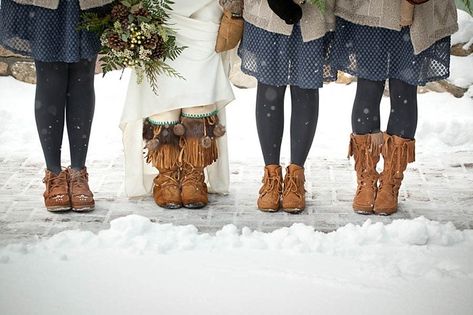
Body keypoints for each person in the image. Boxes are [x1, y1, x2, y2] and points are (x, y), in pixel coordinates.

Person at [332, 0, 458, 215]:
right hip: (370, 7)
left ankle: (391, 180)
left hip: (416, 10)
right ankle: (367, 177)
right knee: (368, 87)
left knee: (404, 89)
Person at [120, 0, 243, 209]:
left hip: (206, 9)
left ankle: (193, 174)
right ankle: (166, 174)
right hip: (161, 9)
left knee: (201, 91)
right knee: (161, 93)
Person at [0, 0, 113, 211]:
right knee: (50, 77)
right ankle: (53, 173)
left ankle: (79, 173)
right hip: (45, 6)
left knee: (83, 76)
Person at [238, 0, 335, 213]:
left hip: (312, 12)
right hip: (268, 11)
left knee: (305, 88)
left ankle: (296, 177)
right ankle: (271, 176)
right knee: (270, 87)